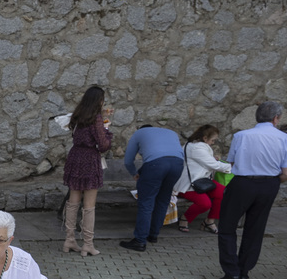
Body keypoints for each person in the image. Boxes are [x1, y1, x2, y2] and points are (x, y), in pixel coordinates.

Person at [217, 101, 287, 279]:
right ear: (276, 118)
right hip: (269, 184)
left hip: (243, 182)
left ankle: (231, 270)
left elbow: (233, 163)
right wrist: (273, 181)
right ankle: (244, 272)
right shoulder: (285, 138)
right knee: (255, 229)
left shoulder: (241, 135)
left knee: (227, 226)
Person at [61, 86, 112, 256]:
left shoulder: (77, 116)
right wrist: (107, 129)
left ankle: (69, 240)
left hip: (75, 156)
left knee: (73, 200)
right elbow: (103, 145)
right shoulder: (95, 119)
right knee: (89, 204)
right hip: (89, 159)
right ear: (99, 101)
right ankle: (87, 244)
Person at [119, 124, 184, 252]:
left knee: (146, 203)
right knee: (163, 200)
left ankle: (140, 240)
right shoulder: (170, 131)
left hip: (156, 165)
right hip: (178, 164)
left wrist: (134, 173)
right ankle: (153, 235)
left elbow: (128, 161)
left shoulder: (138, 134)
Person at [172, 124, 231, 234]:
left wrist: (212, 159)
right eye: (213, 140)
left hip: (201, 181)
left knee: (222, 192)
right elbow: (214, 165)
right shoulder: (197, 148)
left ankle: (209, 221)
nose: (213, 143)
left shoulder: (194, 145)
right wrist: (234, 168)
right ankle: (184, 219)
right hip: (189, 184)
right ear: (205, 138)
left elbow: (205, 161)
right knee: (205, 204)